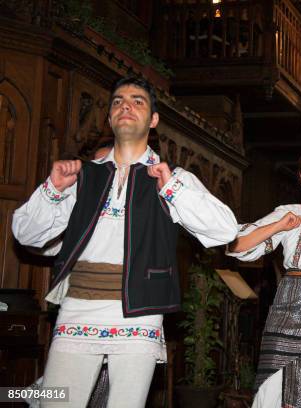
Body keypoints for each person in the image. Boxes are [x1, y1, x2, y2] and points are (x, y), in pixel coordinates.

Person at [12, 77, 238, 408]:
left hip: (140, 311)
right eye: (117, 101)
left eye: (137, 101)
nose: (125, 106)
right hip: (78, 308)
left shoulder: (171, 177)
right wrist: (53, 188)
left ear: (153, 120)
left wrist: (172, 188)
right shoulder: (82, 176)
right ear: (109, 117)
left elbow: (225, 230)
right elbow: (27, 236)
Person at [226, 146, 301, 408]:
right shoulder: (287, 212)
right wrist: (279, 225)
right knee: (275, 391)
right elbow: (238, 246)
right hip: (288, 310)